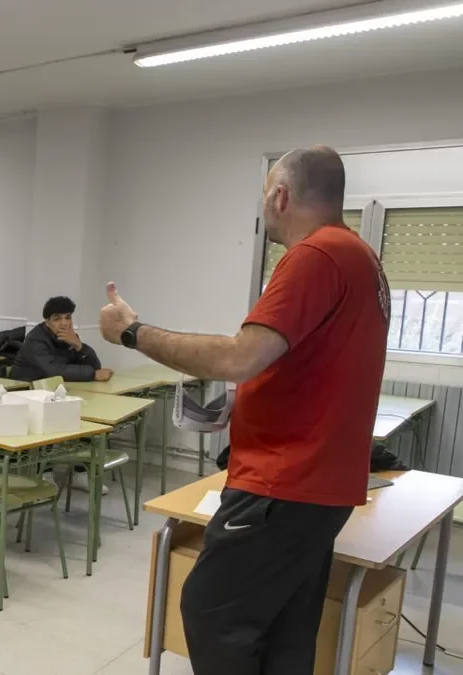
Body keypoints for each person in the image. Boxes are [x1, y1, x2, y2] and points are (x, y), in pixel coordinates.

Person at [97, 146, 388, 675]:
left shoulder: (314, 256)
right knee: (286, 626)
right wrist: (248, 403)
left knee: (211, 612)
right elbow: (311, 366)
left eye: (264, 196)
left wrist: (133, 332)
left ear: (280, 195)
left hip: (284, 484)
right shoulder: (361, 257)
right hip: (324, 483)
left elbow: (239, 356)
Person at [11, 296, 114, 494]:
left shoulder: (68, 336)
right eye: (57, 318)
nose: (64, 323)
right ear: (47, 321)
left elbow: (94, 366)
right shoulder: (36, 339)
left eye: (68, 317)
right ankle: (45, 472)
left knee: (86, 416)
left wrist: (79, 346)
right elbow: (54, 370)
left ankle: (80, 472)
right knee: (51, 418)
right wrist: (92, 375)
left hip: (54, 392)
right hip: (26, 394)